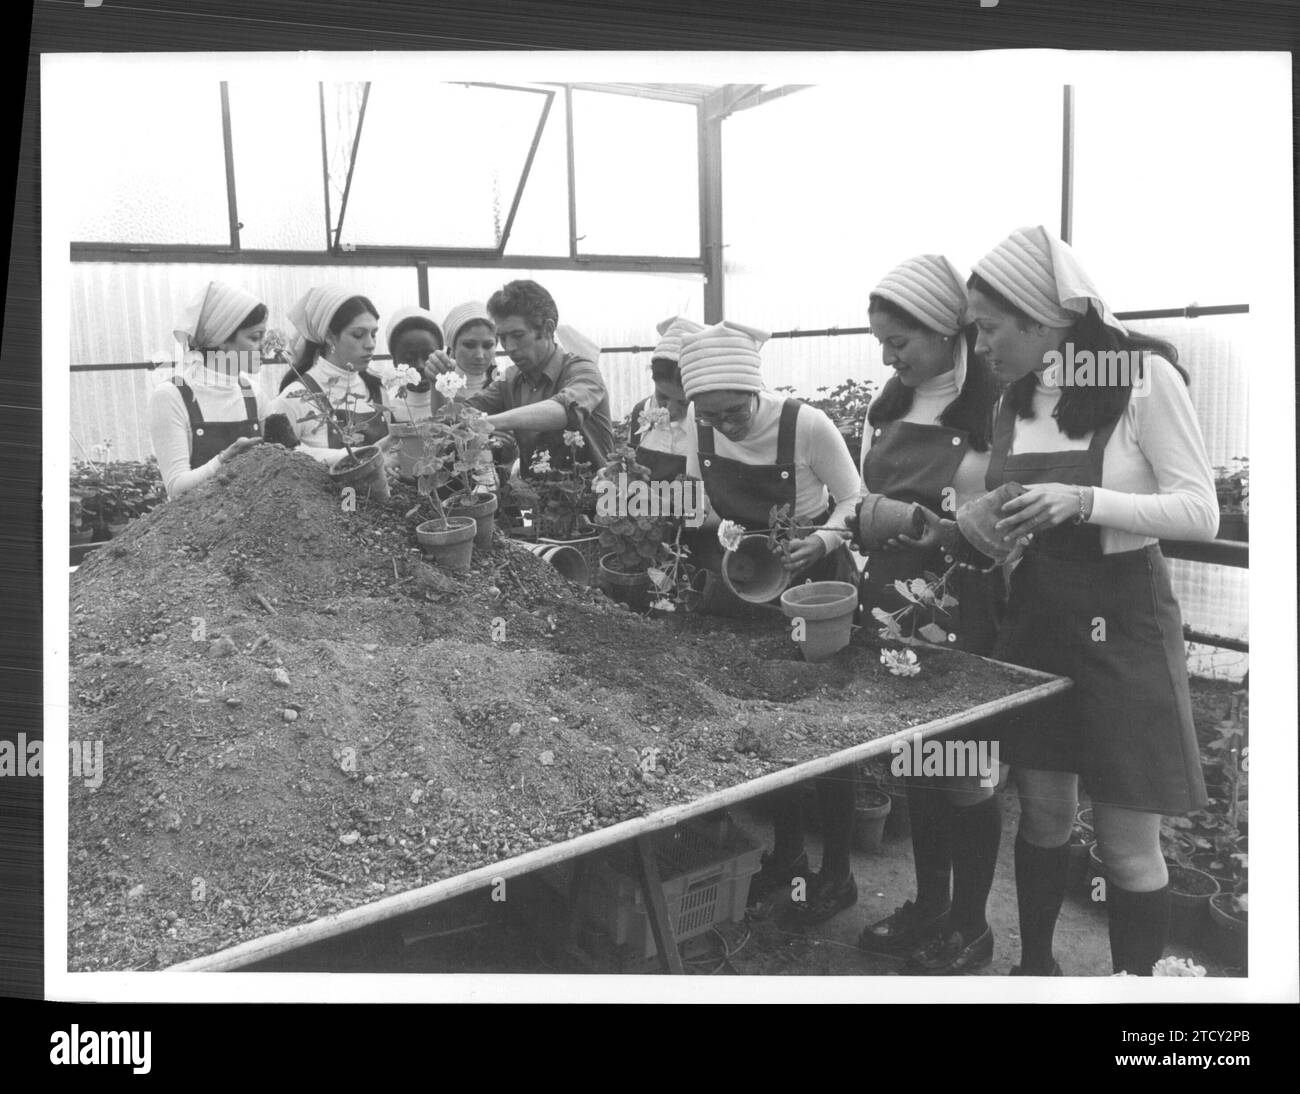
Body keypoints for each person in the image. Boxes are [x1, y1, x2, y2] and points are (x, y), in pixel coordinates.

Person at [963, 225, 1217, 975]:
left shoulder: (1141, 378)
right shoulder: (1012, 400)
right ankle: (1035, 971)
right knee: (1042, 814)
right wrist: (993, 528)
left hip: (1125, 628)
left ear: (1043, 320)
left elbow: (1198, 511)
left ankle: (1133, 998)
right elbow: (1004, 508)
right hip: (1039, 624)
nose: (979, 346)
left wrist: (1082, 498)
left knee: (1127, 844)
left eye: (988, 328)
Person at [679, 320, 864, 924]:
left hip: (815, 584)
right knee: (772, 728)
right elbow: (695, 500)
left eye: (733, 413)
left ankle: (837, 875)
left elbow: (855, 500)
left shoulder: (805, 425)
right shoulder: (698, 423)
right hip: (751, 588)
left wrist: (821, 539)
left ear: (753, 390)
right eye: (711, 417)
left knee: (830, 735)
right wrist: (718, 527)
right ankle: (787, 859)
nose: (724, 426)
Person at [851, 255, 1005, 974]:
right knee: (918, 763)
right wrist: (865, 518)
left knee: (966, 773)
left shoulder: (999, 410)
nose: (888, 356)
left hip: (967, 610)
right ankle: (930, 906)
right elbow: (856, 495)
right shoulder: (888, 406)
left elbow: (1016, 516)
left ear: (948, 331)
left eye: (900, 341)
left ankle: (971, 927)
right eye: (880, 342)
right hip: (893, 610)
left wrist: (952, 528)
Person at [430, 280, 614, 473]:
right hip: (532, 498)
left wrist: (487, 423)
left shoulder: (583, 371)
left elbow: (565, 410)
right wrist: (436, 383)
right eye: (502, 338)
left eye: (518, 335)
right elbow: (452, 418)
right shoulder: (508, 379)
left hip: (596, 496)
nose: (509, 347)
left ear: (548, 329)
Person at [148, 281, 267, 497]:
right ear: (222, 340)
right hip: (197, 526)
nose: (263, 347)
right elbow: (176, 489)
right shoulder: (172, 395)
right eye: (254, 337)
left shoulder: (252, 392)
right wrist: (222, 461)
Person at [268, 286, 390, 465]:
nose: (370, 344)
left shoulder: (376, 390)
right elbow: (278, 460)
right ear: (329, 337)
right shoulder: (295, 397)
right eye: (358, 335)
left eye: (373, 334)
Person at [628, 316, 703, 482]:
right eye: (662, 397)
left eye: (684, 402)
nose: (671, 409)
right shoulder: (641, 412)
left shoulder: (710, 427)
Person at [381, 305, 444, 423]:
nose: (420, 365)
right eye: (409, 358)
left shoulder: (453, 399)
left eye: (427, 356)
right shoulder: (386, 402)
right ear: (394, 361)